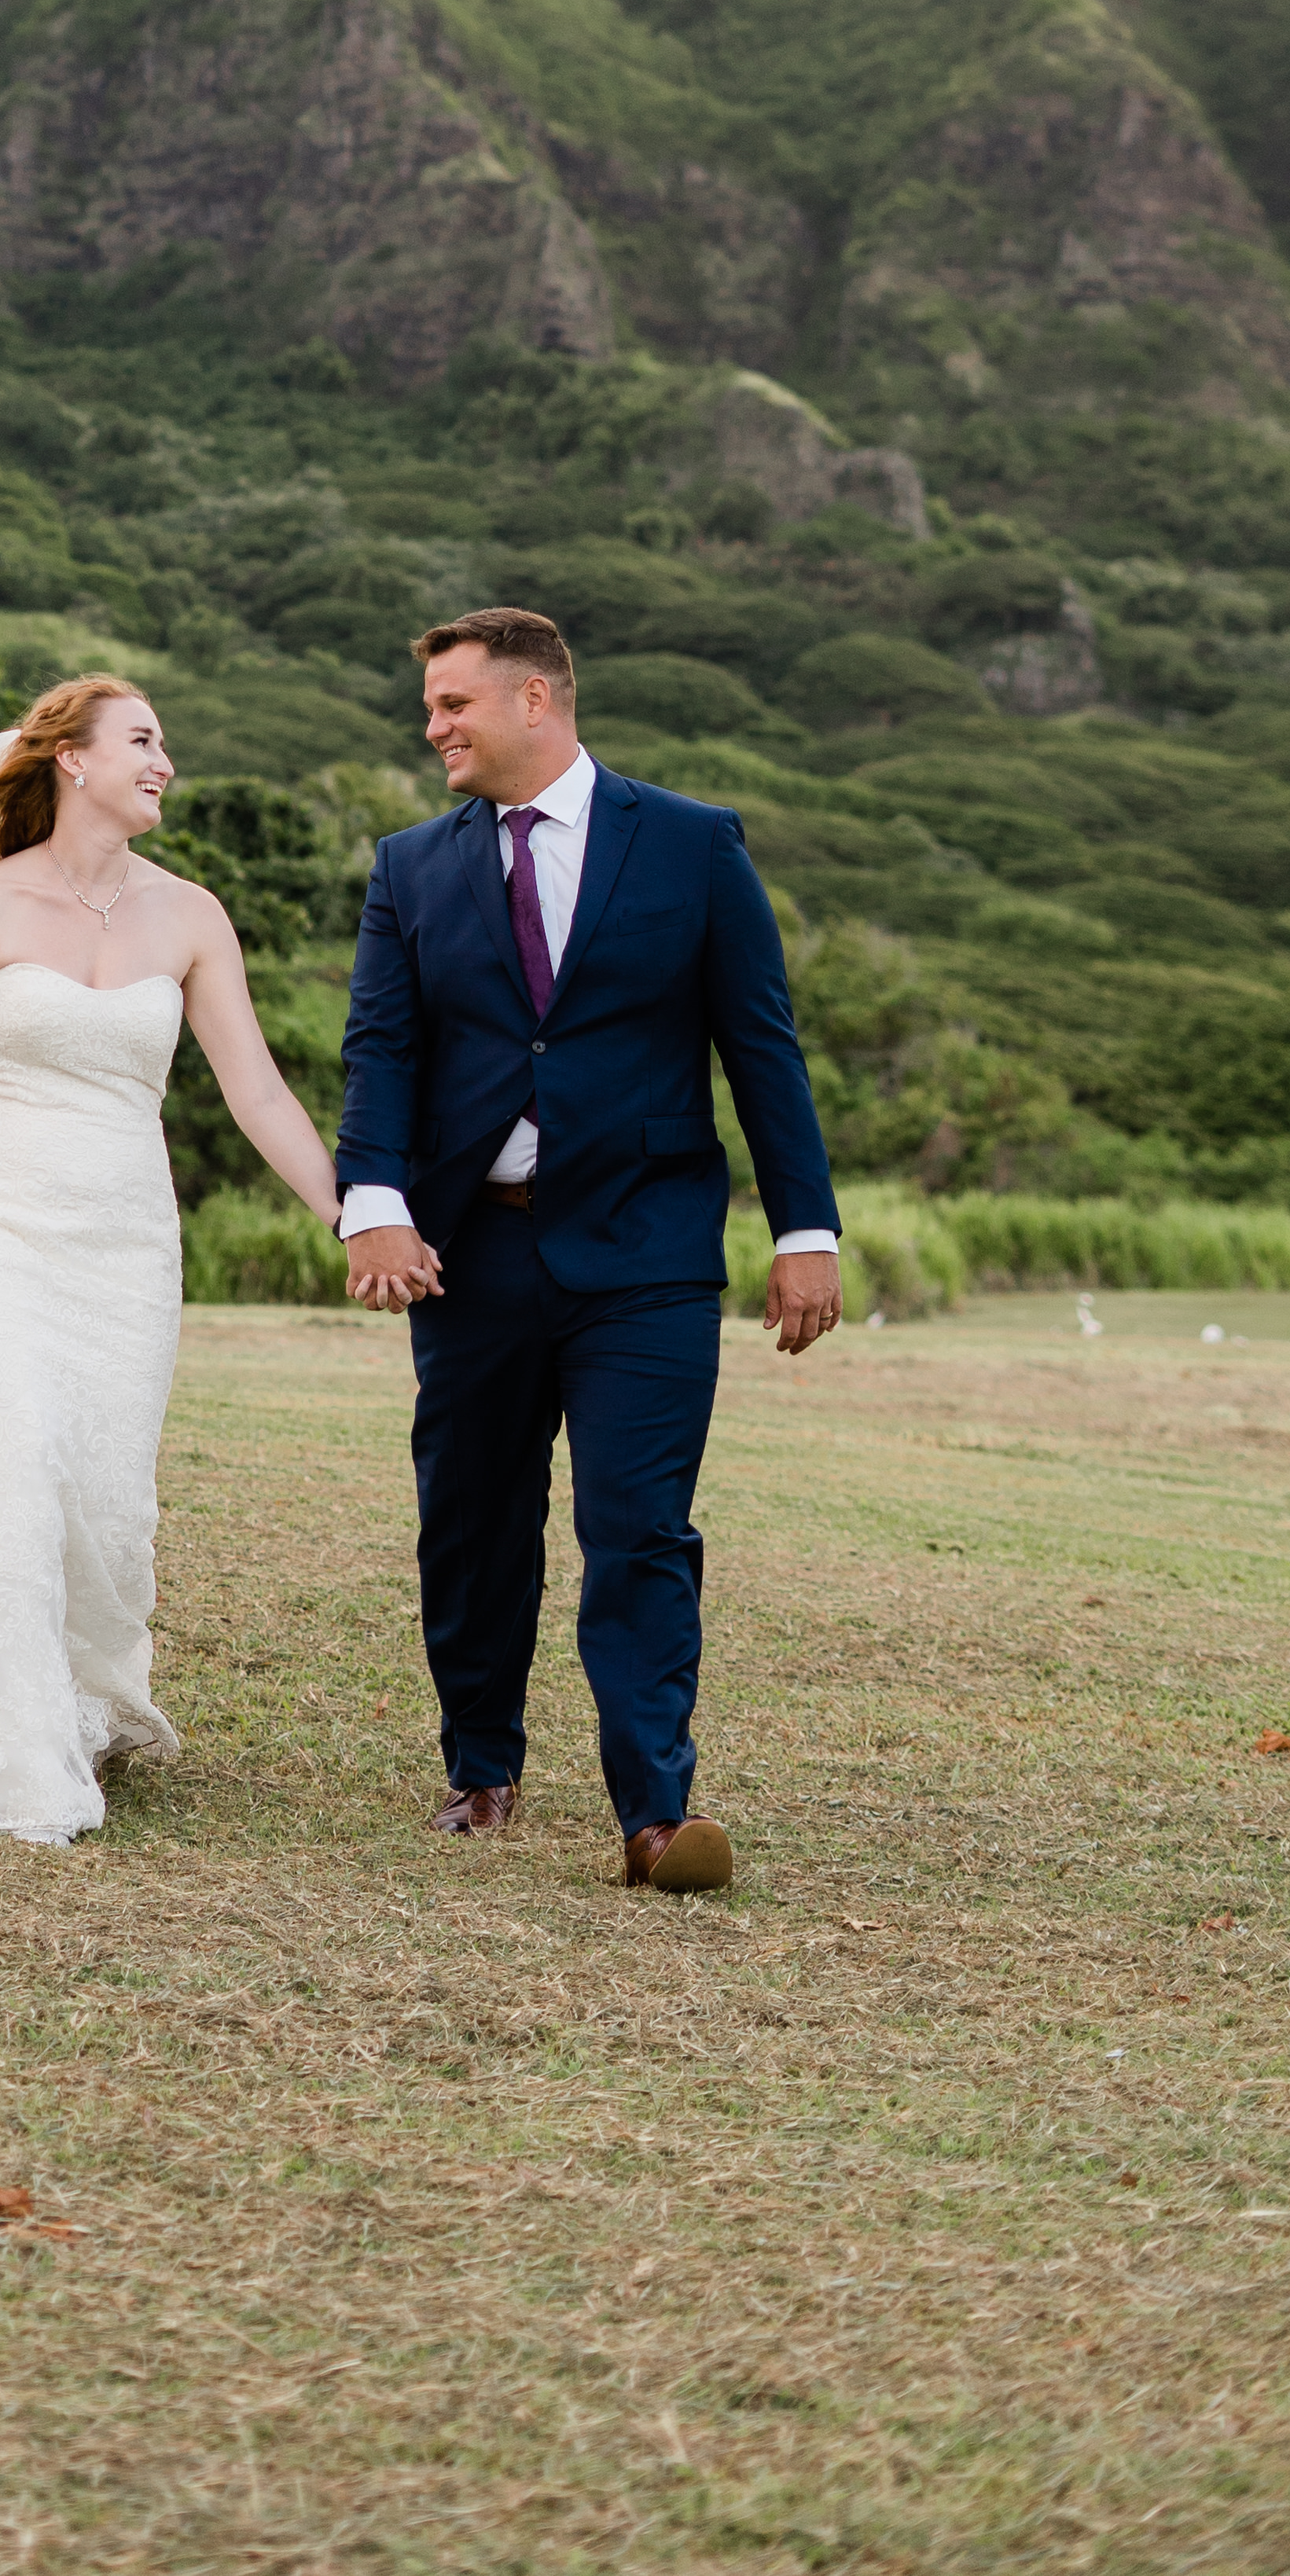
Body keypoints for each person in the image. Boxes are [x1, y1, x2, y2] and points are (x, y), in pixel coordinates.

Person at [335, 607, 841, 1892]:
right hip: (473, 1256)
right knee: (473, 1518)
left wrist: (806, 1229)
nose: (434, 725)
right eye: (432, 704)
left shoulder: (691, 844)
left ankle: (657, 1815)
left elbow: (760, 1047)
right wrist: (373, 1201)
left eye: (454, 703)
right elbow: (383, 1053)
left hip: (649, 1249)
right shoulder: (409, 868)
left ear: (536, 701)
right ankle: (482, 1766)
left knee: (639, 1527)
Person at [0, 677, 345, 1845]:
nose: (166, 763)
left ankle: (68, 1694)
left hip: (128, 1243)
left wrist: (353, 1215)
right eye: (143, 741)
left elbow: (255, 1091)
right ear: (71, 761)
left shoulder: (192, 916)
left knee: (97, 1481)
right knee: (11, 1447)